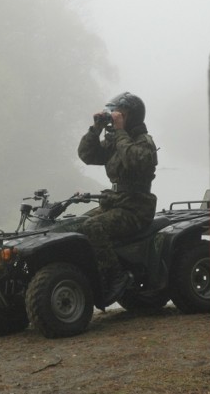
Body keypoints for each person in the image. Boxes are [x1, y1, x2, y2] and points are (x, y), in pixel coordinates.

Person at [78, 92, 158, 307]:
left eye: (119, 113)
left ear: (131, 116)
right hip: (115, 202)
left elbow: (133, 161)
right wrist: (95, 129)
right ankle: (85, 278)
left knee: (94, 227)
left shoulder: (143, 142)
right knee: (76, 226)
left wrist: (121, 131)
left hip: (136, 208)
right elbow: (88, 155)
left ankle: (115, 276)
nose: (114, 117)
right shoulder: (116, 140)